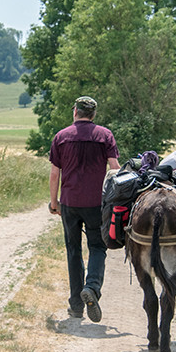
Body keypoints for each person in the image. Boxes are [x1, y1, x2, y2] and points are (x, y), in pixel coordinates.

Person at [49, 96, 120, 322]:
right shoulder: (104, 135)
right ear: (93, 114)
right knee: (97, 247)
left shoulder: (61, 137)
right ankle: (92, 288)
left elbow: (54, 173)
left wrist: (54, 202)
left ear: (75, 112)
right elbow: (115, 169)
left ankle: (77, 306)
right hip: (96, 204)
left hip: (69, 202)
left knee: (73, 250)